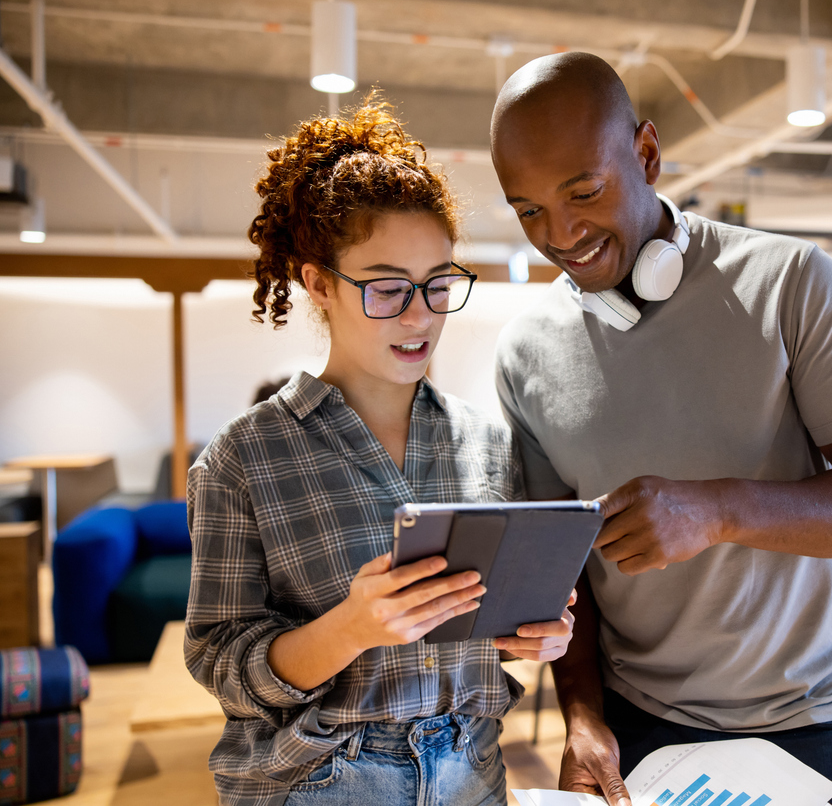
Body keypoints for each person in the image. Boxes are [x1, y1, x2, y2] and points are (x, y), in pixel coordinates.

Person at [491, 52, 832, 805]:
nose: (560, 235)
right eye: (527, 209)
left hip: (819, 722)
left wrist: (720, 509)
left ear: (647, 154)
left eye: (583, 192)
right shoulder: (525, 351)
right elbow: (565, 566)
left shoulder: (792, 282)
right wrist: (584, 716)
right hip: (643, 731)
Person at [183, 98, 576, 806]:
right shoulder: (243, 457)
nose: (420, 315)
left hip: (473, 775)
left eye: (437, 285)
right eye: (389, 288)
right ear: (319, 284)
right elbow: (219, 660)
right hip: (324, 781)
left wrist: (536, 636)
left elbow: (491, 630)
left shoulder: (489, 444)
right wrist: (350, 629)